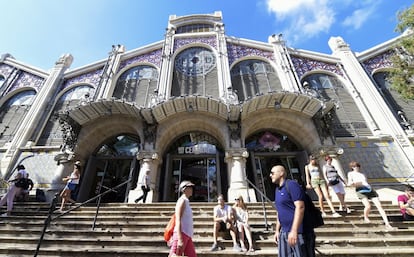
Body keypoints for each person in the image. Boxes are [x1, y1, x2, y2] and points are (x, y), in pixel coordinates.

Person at [270, 165, 315, 257]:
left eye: (272, 173)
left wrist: (294, 230)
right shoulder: (277, 190)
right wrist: (277, 230)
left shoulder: (291, 185)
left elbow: (300, 207)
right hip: (284, 232)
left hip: (299, 233)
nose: (270, 175)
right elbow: (280, 211)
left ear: (281, 173)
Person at [347, 161, 393, 229]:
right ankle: (366, 217)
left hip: (368, 189)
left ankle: (387, 223)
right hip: (360, 190)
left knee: (379, 206)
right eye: (354, 166)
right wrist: (354, 184)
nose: (356, 168)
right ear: (352, 168)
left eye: (357, 166)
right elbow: (350, 183)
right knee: (368, 206)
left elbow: (365, 182)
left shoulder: (362, 174)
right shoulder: (350, 174)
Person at [168, 180, 197, 257]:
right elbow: (178, 219)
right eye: (189, 187)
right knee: (174, 255)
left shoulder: (186, 201)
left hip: (187, 234)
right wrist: (180, 238)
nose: (191, 189)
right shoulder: (182, 201)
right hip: (181, 233)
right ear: (184, 189)